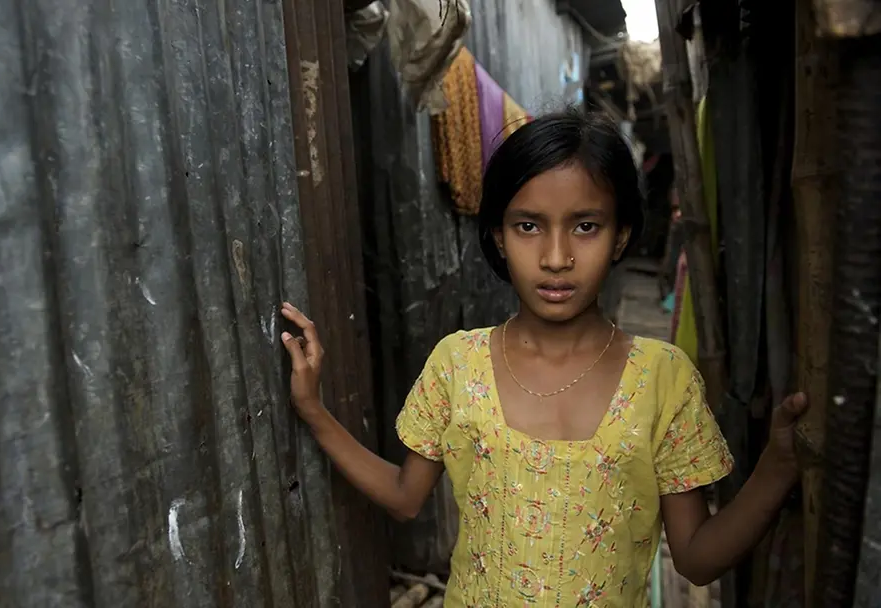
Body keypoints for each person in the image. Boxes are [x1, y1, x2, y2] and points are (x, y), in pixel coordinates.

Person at [279, 110, 807, 607]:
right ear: (498, 237)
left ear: (621, 235)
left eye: (586, 226)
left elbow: (694, 559)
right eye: (528, 226)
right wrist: (315, 412)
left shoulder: (663, 378)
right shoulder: (458, 365)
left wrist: (778, 467)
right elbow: (404, 496)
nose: (557, 259)